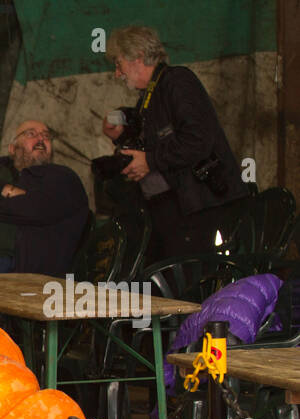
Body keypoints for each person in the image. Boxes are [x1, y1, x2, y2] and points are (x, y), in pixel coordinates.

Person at [101, 25, 247, 260]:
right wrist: (121, 133)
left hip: (203, 209)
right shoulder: (151, 95)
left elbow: (198, 139)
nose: (117, 73)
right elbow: (153, 135)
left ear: (137, 58)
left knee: (192, 284)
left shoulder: (177, 81)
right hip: (176, 211)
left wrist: (150, 160)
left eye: (118, 64)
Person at [0, 120, 90, 276]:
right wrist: (3, 189)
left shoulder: (62, 176)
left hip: (29, 265)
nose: (41, 139)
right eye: (31, 134)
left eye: (46, 136)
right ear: (13, 148)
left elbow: (32, 210)